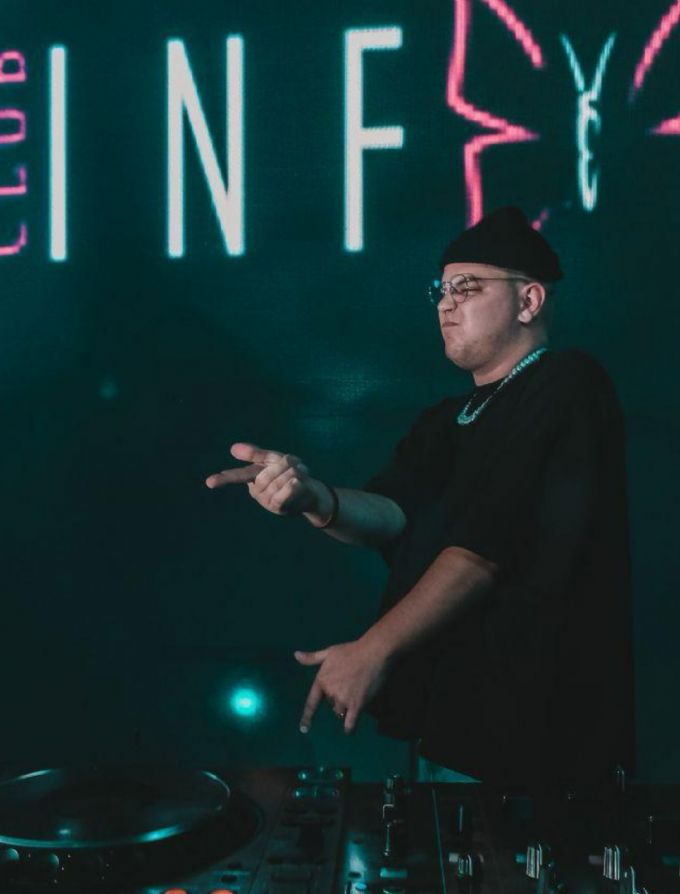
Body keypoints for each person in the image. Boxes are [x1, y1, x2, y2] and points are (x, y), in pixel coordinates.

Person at [206, 207, 635, 799]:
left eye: (468, 288)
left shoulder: (567, 386)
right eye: (441, 290)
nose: (445, 305)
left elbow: (484, 548)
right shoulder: (446, 419)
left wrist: (372, 650)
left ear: (529, 301)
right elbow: (390, 513)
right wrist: (312, 497)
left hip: (537, 740)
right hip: (450, 729)